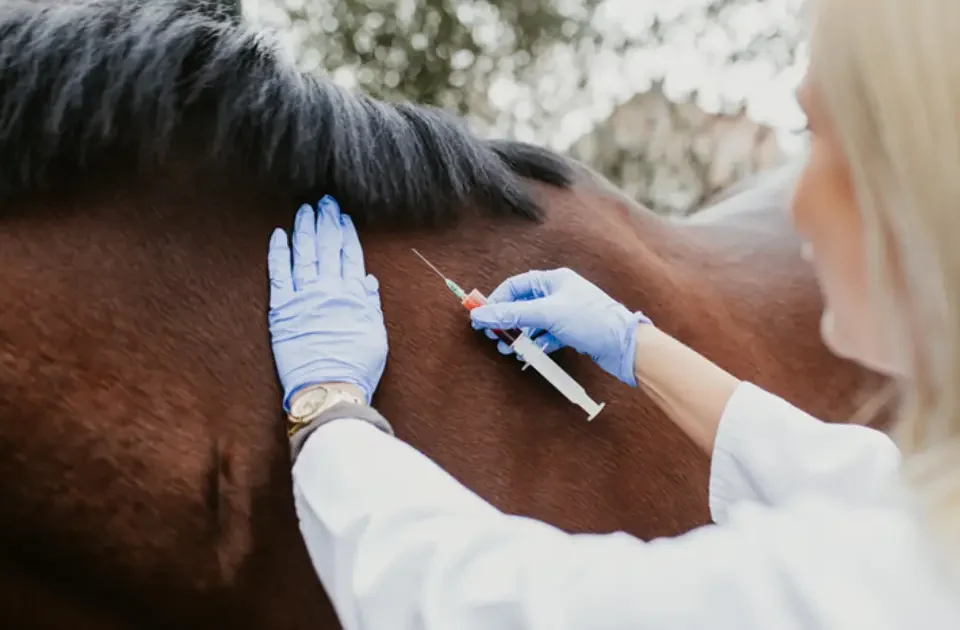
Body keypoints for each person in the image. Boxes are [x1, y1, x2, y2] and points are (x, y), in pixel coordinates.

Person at [265, 2, 960, 627]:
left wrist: (329, 412)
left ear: (925, 178)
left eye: (821, 136)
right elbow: (850, 472)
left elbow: (499, 606)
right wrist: (632, 342)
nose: (793, 195)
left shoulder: (879, 587)